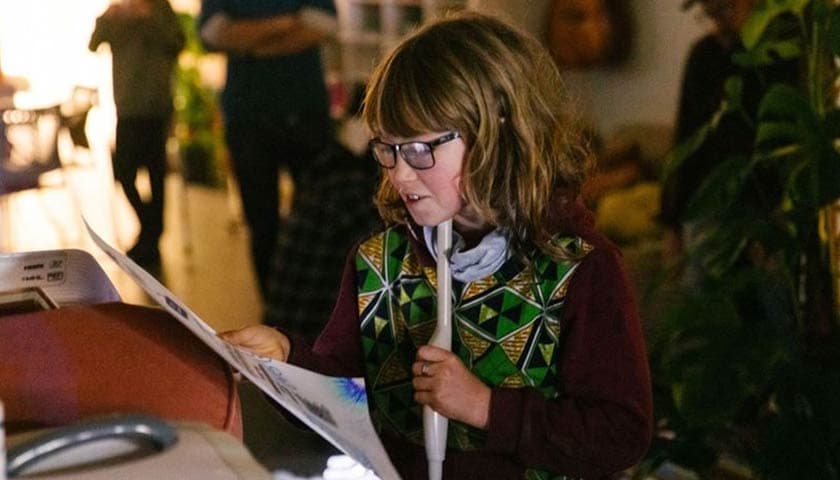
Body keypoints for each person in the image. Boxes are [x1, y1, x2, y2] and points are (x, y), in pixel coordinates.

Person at [221, 12, 653, 479]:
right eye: (387, 148)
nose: (399, 173)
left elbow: (619, 434)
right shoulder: (378, 261)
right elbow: (346, 390)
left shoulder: (580, 268)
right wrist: (287, 359)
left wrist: (487, 408)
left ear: (497, 135)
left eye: (422, 149)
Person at [197, 0, 337, 299]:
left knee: (319, 215)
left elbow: (324, 24)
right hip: (248, 116)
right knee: (261, 223)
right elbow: (212, 33)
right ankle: (274, 307)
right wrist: (284, 23)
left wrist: (250, 42)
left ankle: (316, 304)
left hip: (305, 110)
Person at [660, 0, 796, 258]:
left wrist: (776, 221)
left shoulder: (782, 51)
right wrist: (672, 223)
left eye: (726, 10)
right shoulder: (704, 55)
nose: (718, 22)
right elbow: (685, 139)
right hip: (709, 205)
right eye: (709, 14)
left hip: (767, 205)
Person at [89, 0, 185, 266]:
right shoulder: (118, 12)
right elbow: (94, 43)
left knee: (156, 174)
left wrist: (148, 17)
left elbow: (176, 43)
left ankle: (151, 238)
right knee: (124, 172)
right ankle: (150, 229)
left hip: (156, 106)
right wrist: (106, 17)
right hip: (128, 106)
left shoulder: (160, 9)